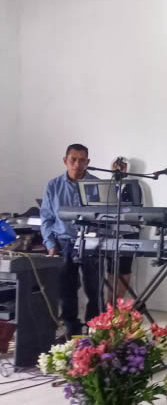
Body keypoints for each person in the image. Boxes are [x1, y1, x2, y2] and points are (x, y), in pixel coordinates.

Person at [40, 144, 100, 336]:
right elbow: (46, 218)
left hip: (91, 243)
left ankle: (95, 329)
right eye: (73, 159)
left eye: (82, 160)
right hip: (63, 242)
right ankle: (71, 330)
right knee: (66, 289)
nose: (77, 164)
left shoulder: (98, 186)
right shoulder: (53, 185)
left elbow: (107, 218)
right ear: (65, 160)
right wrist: (50, 244)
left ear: (88, 162)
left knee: (94, 289)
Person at [106, 156, 138, 302]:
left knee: (125, 267)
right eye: (116, 167)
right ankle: (109, 304)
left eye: (122, 167)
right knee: (111, 268)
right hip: (110, 231)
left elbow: (140, 209)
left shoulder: (134, 186)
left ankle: (119, 304)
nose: (118, 170)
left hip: (129, 231)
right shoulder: (108, 186)